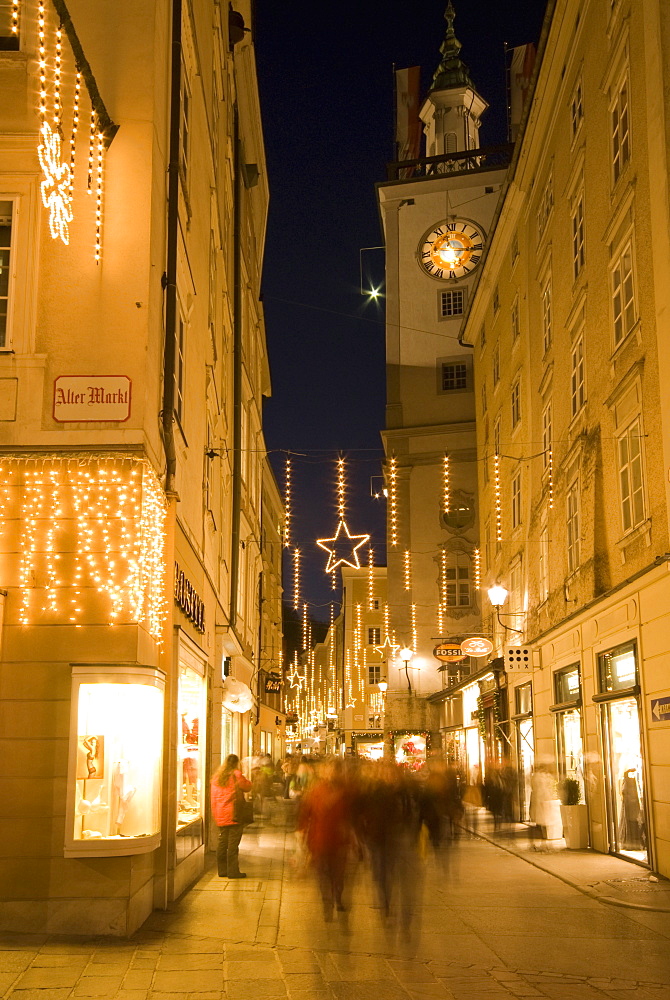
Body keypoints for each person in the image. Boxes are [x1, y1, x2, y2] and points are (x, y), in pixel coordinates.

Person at [210, 754, 252, 878]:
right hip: (234, 814)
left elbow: (213, 799)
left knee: (222, 843)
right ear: (236, 763)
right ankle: (233, 871)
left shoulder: (216, 778)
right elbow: (247, 786)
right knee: (233, 845)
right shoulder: (236, 775)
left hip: (221, 814)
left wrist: (216, 815)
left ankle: (222, 870)